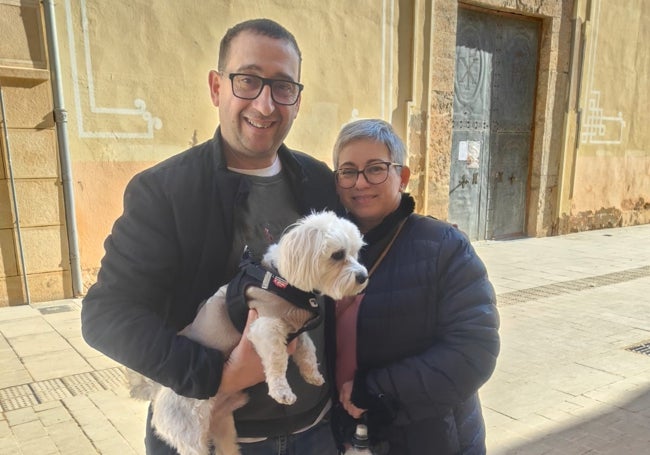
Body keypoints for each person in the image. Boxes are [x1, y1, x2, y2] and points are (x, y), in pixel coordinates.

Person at [81, 19, 341, 455]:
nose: (265, 104)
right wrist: (216, 375)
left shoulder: (319, 183)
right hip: (207, 440)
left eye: (282, 86)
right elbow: (106, 316)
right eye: (248, 80)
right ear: (217, 87)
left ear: (297, 100)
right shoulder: (163, 191)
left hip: (314, 431)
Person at [330, 119, 500, 454]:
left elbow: (474, 351)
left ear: (402, 177)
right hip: (347, 438)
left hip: (431, 439)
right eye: (348, 171)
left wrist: (374, 390)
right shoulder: (324, 250)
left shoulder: (443, 247)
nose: (360, 182)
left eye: (376, 169)